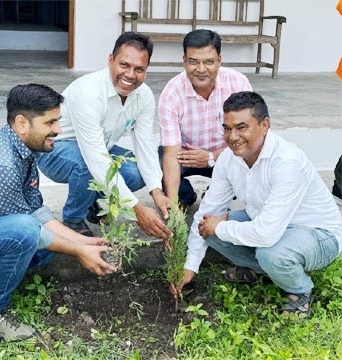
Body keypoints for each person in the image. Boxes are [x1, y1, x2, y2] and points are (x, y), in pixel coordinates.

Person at [0, 84, 116, 342]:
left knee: (48, 241)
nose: (58, 130)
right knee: (26, 233)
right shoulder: (0, 163)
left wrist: (83, 240)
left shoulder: (21, 150)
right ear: (22, 123)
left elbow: (36, 209)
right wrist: (78, 251)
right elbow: (29, 229)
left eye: (58, 121)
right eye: (50, 122)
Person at [172, 91, 342, 317]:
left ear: (265, 125)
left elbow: (266, 234)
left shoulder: (287, 162)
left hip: (317, 234)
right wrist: (190, 266)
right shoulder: (228, 159)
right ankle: (261, 270)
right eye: (227, 128)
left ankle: (299, 291)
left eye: (242, 127)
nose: (232, 137)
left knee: (271, 254)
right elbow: (208, 211)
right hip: (267, 221)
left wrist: (221, 226)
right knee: (206, 226)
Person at [37, 32, 171, 242]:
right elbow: (96, 159)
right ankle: (73, 219)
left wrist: (157, 192)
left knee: (136, 173)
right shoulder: (88, 92)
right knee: (87, 166)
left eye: (139, 69)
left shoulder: (143, 96)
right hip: (55, 150)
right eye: (124, 65)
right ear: (111, 60)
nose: (130, 75)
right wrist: (137, 208)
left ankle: (90, 199)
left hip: (99, 148)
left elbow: (145, 145)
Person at [158, 29, 252, 209]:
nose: (201, 70)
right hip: (186, 156)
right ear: (184, 61)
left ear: (219, 61)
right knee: (160, 160)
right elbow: (171, 154)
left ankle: (216, 196)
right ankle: (184, 197)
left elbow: (249, 139)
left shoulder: (238, 84)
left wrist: (211, 157)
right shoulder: (171, 94)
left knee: (247, 158)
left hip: (226, 155)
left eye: (209, 62)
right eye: (193, 62)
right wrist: (172, 205)